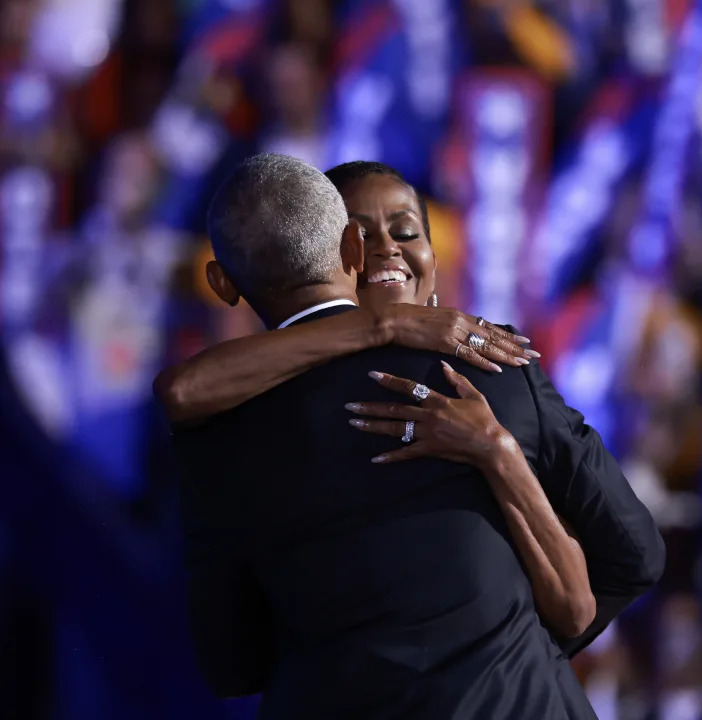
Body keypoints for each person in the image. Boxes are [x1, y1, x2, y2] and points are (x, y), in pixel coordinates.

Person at [169, 154, 664, 718]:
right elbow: (633, 554)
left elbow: (233, 664)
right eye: (366, 233)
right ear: (346, 252)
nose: (387, 250)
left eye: (406, 231)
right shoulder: (492, 367)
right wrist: (508, 663)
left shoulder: (224, 426)